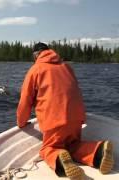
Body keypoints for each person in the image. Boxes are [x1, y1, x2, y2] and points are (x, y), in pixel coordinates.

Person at [16, 42, 114, 179]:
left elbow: (25, 101)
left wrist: (21, 122)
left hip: (55, 122)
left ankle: (59, 159)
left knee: (48, 149)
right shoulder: (66, 67)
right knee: (73, 146)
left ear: (36, 55)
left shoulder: (35, 69)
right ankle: (98, 151)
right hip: (76, 119)